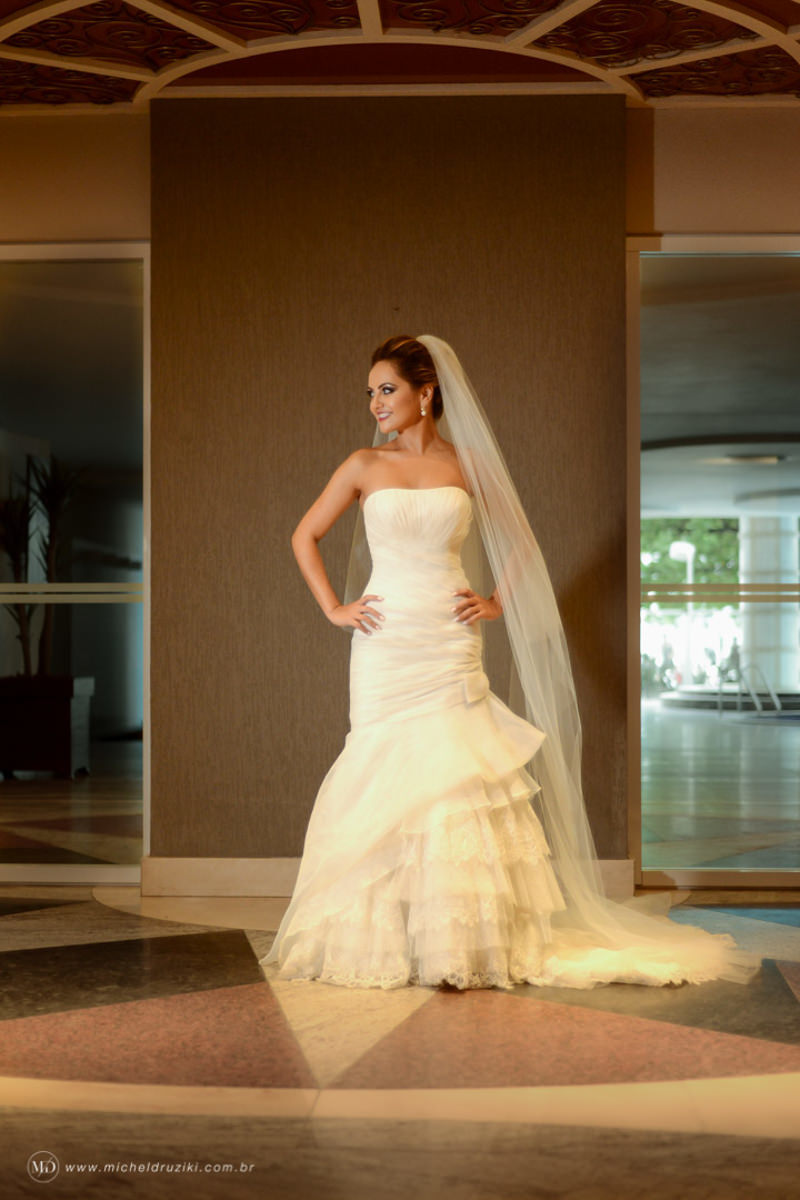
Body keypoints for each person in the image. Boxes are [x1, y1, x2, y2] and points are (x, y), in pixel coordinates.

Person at [261, 335, 760, 991]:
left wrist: (496, 601)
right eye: (371, 393)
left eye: (387, 389)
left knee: (457, 772)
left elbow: (519, 537)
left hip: (448, 636)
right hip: (385, 641)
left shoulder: (467, 463)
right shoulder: (362, 464)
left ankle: (463, 941)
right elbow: (304, 534)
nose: (375, 403)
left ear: (425, 392)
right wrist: (334, 608)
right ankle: (387, 941)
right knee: (382, 766)